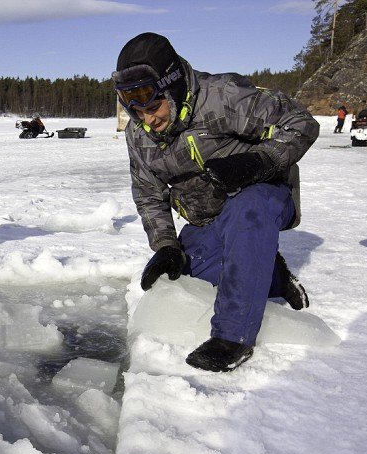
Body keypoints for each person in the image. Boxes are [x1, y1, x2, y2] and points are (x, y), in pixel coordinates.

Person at [113, 33, 320, 372]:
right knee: (189, 280)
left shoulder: (222, 97)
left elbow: (300, 123)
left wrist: (261, 162)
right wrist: (166, 245)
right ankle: (273, 276)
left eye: (153, 107)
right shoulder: (139, 133)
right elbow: (148, 193)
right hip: (207, 220)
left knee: (249, 208)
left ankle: (233, 338)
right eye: (135, 110)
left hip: (260, 197)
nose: (147, 119)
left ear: (173, 87)